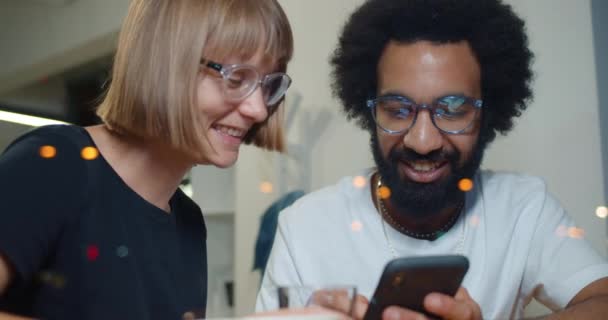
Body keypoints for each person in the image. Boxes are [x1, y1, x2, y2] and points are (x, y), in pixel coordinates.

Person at [256, 0, 608, 319]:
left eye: (452, 110)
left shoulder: (523, 209)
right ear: (369, 107)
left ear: (488, 113)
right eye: (397, 110)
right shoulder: (304, 229)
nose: (422, 141)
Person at [0, 0, 294, 319]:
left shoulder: (188, 221)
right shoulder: (54, 165)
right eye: (236, 79)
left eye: (268, 86)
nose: (259, 110)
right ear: (167, 65)